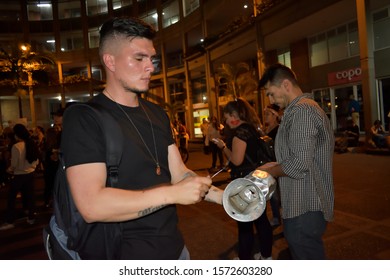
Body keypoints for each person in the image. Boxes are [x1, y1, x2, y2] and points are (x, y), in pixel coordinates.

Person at [56, 16, 223, 259]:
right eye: (139, 58)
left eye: (152, 58)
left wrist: (227, 197)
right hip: (124, 256)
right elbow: (92, 205)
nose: (151, 67)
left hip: (176, 250)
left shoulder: (157, 113)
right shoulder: (84, 118)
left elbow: (179, 173)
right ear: (110, 61)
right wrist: (173, 194)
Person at [258, 63, 334, 260]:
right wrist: (273, 166)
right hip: (303, 205)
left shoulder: (302, 111)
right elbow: (298, 158)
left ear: (285, 85)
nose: (271, 100)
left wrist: (272, 171)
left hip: (305, 205)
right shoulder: (298, 111)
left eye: (271, 93)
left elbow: (299, 164)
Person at [212, 98, 273, 260]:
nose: (225, 121)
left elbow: (236, 161)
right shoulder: (252, 129)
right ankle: (267, 255)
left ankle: (245, 258)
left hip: (245, 183)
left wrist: (223, 147)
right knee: (261, 220)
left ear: (235, 115)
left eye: (226, 117)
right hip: (257, 179)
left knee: (244, 223)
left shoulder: (240, 134)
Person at [0, 124, 39, 231]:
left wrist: (8, 170)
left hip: (19, 175)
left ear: (17, 134)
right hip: (30, 173)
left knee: (11, 198)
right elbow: (36, 160)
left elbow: (14, 164)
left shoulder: (16, 146)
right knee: (30, 196)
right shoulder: (31, 143)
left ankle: (10, 221)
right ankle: (31, 217)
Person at [263, 104, 282, 227]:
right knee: (271, 192)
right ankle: (276, 216)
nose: (265, 116)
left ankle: (280, 217)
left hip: (276, 164)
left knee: (277, 194)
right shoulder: (266, 129)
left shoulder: (279, 129)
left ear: (275, 116)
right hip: (267, 165)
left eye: (268, 114)